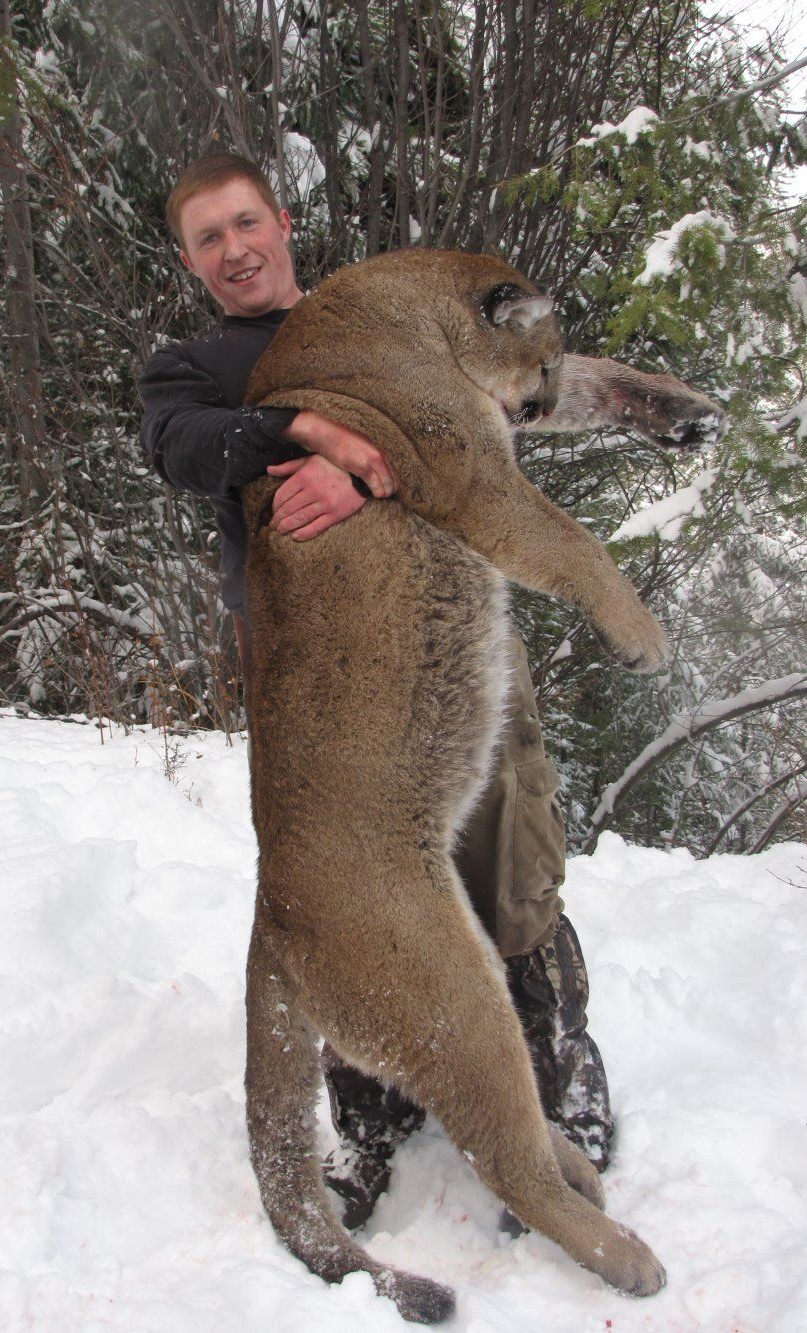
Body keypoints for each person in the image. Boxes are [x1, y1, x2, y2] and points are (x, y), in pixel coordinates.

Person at [139, 151, 720, 1230]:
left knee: (507, 848)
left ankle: (555, 1064)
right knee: (349, 882)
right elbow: (177, 444)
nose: (233, 249)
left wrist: (638, 402)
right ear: (188, 260)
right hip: (317, 659)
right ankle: (373, 1104)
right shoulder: (193, 368)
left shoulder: (391, 314)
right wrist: (302, 433)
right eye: (209, 237)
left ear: (283, 222)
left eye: (245, 223)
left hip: (450, 629)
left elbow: (517, 390)